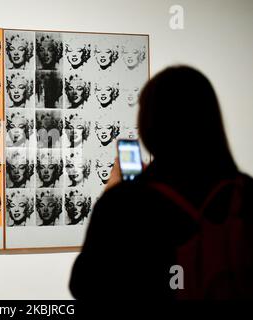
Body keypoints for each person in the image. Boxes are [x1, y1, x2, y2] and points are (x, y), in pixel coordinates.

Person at [70, 66, 253, 300]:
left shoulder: (125, 202)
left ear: (149, 123)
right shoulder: (246, 192)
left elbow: (87, 286)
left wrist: (115, 194)